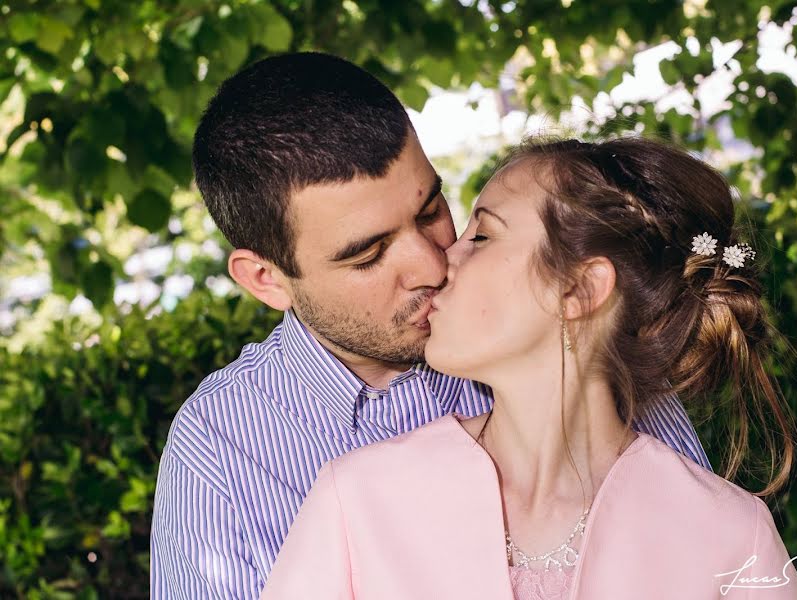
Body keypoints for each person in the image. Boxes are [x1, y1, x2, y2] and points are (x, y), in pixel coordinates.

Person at [149, 52, 710, 598]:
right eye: (367, 255)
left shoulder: (556, 339)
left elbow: (698, 536)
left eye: (430, 212)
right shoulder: (221, 448)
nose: (433, 265)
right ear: (265, 280)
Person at [262, 137, 797, 599]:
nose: (439, 262)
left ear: (578, 289)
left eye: (482, 236)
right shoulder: (356, 500)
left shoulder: (730, 535)